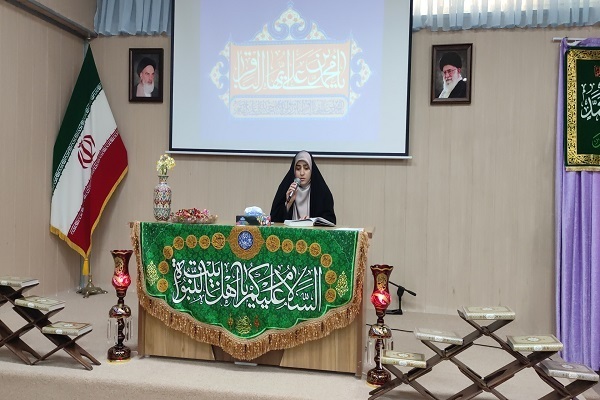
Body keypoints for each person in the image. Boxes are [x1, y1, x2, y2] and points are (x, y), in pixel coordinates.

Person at [270, 151, 336, 224]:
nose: (302, 173)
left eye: (306, 168)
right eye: (298, 169)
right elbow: (274, 220)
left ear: (312, 170)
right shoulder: (287, 189)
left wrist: (312, 222)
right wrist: (288, 204)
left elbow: (330, 221)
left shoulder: (322, 192)